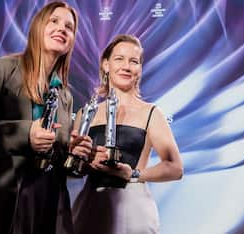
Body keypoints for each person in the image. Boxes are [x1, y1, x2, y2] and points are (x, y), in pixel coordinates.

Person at [0, 2, 92, 234]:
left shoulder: (65, 95)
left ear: (72, 40)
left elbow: (54, 159)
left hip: (40, 212)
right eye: (54, 21)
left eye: (69, 27)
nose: (62, 28)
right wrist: (25, 134)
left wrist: (73, 154)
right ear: (37, 28)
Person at [71, 34, 184, 234]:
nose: (126, 66)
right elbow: (74, 169)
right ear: (106, 65)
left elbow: (175, 168)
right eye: (119, 59)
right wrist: (83, 160)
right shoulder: (86, 113)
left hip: (134, 211)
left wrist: (133, 174)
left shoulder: (151, 113)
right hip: (91, 207)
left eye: (133, 61)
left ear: (139, 70)